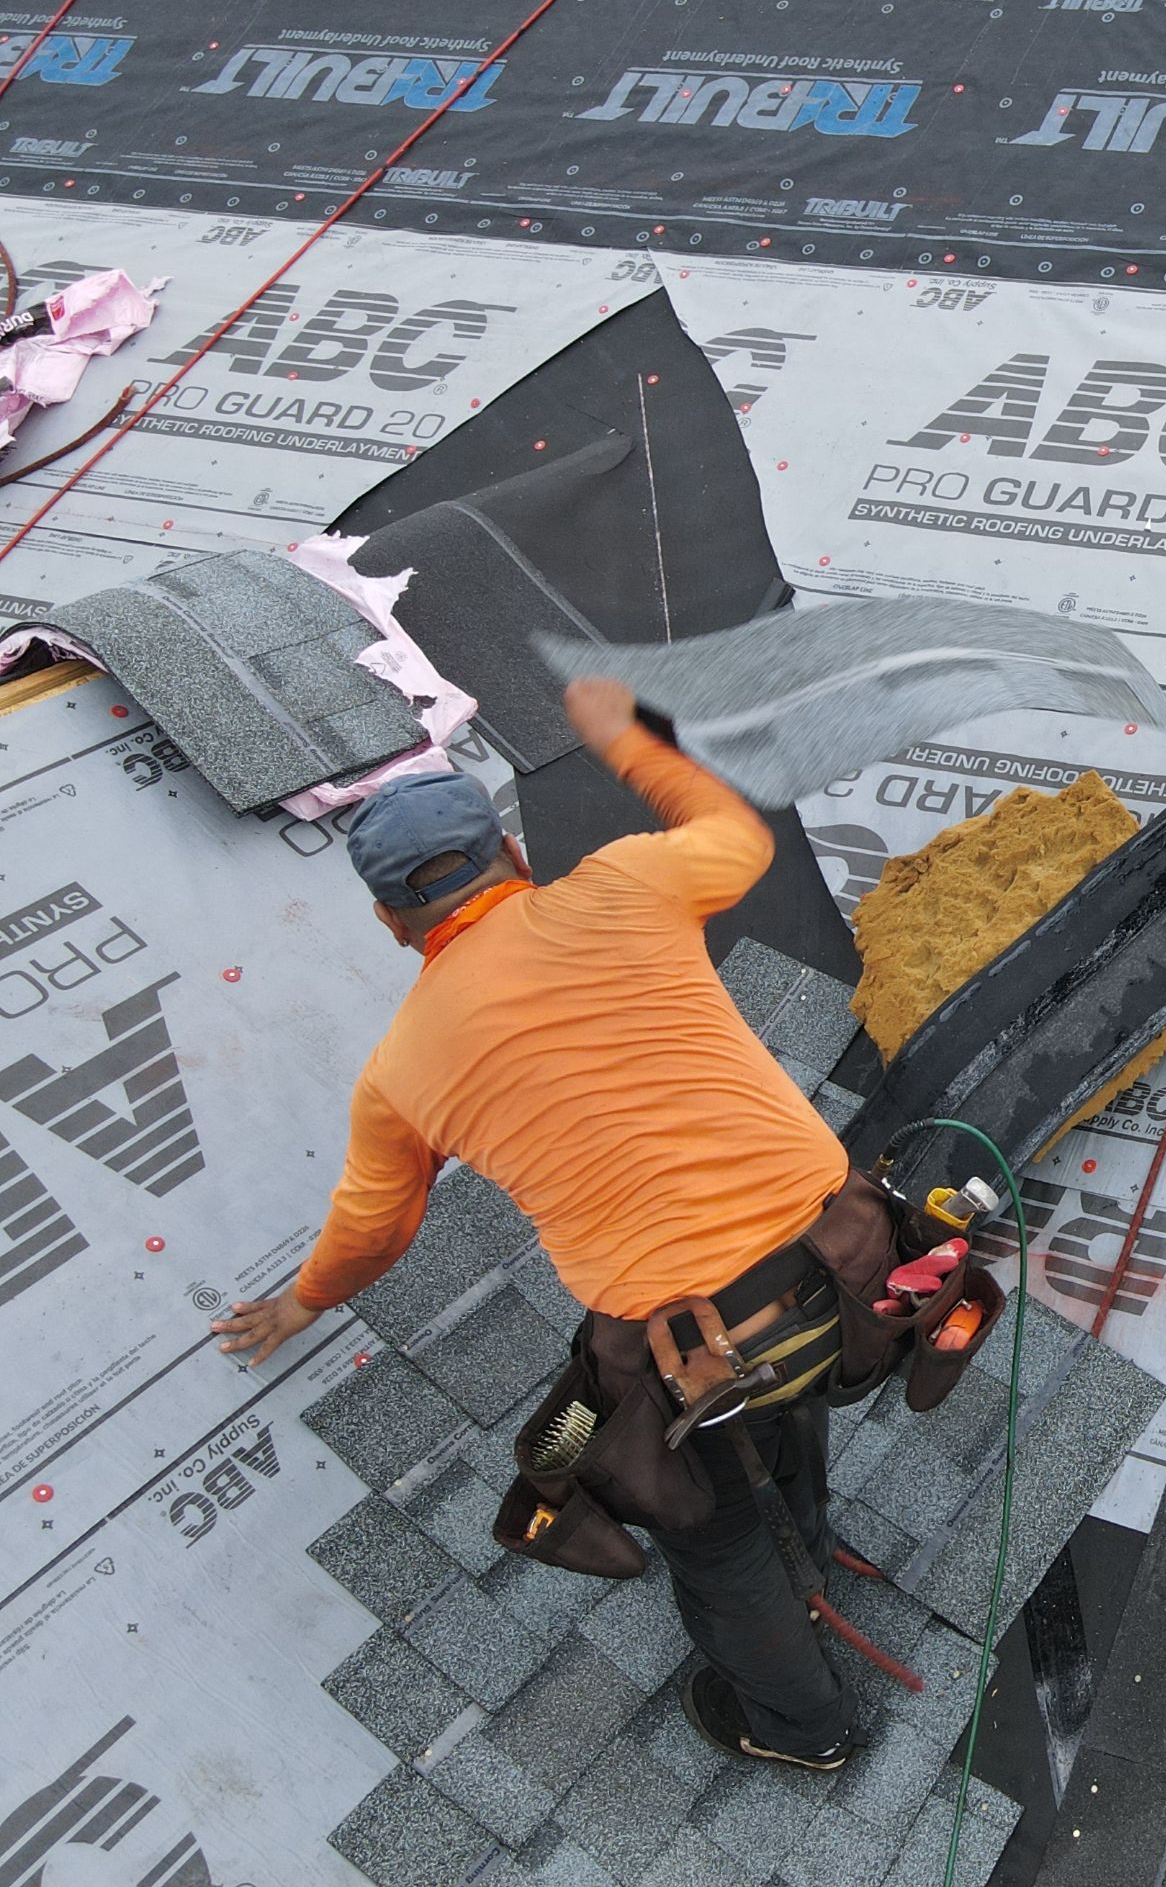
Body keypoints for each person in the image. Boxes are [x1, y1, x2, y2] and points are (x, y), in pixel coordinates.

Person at [212, 678, 880, 1772]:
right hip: (846, 1272)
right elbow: (732, 835)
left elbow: (374, 1230)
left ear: (391, 924)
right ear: (514, 858)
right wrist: (628, 741)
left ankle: (805, 1728)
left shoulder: (400, 1074)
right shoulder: (623, 888)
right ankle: (809, 1540)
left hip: (695, 1346)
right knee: (773, 1386)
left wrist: (300, 1303)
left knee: (705, 1529)